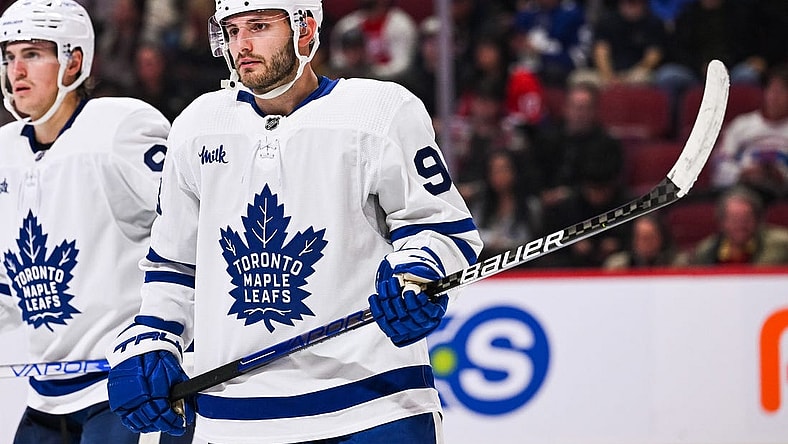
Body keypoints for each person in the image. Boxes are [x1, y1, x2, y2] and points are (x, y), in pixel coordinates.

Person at [104, 1, 482, 443]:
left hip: (373, 408)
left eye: (259, 26)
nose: (241, 45)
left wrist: (417, 274)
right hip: (235, 419)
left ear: (305, 31)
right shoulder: (198, 125)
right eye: (232, 30)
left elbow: (439, 226)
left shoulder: (381, 111)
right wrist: (153, 338)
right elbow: (174, 264)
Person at [0, 1, 192, 443]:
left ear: (75, 61)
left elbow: (191, 228)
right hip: (43, 394)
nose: (17, 71)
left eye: (32, 54)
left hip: (128, 389)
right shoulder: (5, 151)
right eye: (10, 57)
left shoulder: (120, 127)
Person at [711, 63, 788, 204]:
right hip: (743, 189)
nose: (775, 97)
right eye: (772, 90)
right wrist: (742, 173)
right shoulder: (742, 124)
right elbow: (720, 166)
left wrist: (781, 176)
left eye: (782, 91)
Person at [678, 186, 788, 266]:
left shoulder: (782, 244)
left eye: (746, 218)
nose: (740, 224)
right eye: (734, 219)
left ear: (757, 219)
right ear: (722, 222)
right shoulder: (706, 251)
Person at [329, 0, 417, 81]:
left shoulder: (400, 24)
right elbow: (337, 60)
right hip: (353, 80)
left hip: (391, 81)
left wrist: (371, 71)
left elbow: (401, 65)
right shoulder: (347, 25)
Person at [603, 212, 678, 269]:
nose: (647, 244)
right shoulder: (618, 265)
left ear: (661, 238)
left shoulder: (676, 264)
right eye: (642, 238)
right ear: (634, 239)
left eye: (650, 238)